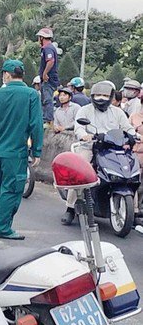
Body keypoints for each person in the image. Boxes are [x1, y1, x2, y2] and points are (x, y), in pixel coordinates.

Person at [61, 80, 137, 224]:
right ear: (92, 96)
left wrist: (132, 136)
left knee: (130, 170)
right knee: (80, 171)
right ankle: (70, 208)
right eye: (98, 95)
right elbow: (79, 127)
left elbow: (128, 128)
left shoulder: (118, 112)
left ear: (111, 96)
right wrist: (84, 135)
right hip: (90, 146)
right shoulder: (85, 110)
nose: (101, 98)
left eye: (104, 95)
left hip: (113, 148)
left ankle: (134, 211)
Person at [0, 60, 43, 240]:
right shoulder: (31, 95)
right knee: (11, 190)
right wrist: (37, 150)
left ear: (6, 74)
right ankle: (3, 228)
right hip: (15, 151)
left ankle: (0, 224)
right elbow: (36, 125)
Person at [37, 27, 59, 123]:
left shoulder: (48, 48)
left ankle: (47, 119)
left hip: (48, 79)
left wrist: (45, 73)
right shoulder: (47, 48)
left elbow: (50, 61)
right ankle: (45, 118)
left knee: (47, 99)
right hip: (48, 79)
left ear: (42, 38)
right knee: (44, 100)